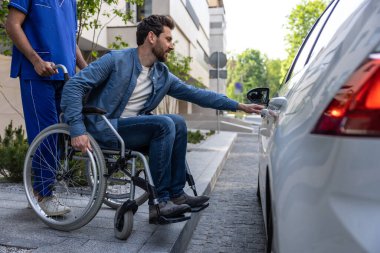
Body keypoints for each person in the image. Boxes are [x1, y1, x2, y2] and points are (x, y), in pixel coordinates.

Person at [60, 15, 263, 222]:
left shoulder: (161, 74)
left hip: (130, 131)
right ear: (151, 37)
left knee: (177, 122)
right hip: (103, 128)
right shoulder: (115, 60)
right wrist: (77, 128)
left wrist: (239, 106)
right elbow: (73, 86)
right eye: (168, 39)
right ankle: (159, 203)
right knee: (164, 124)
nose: (171, 46)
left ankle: (176, 194)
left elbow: (197, 94)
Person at [5, 0, 87, 216]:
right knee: (45, 133)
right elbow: (12, 24)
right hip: (37, 73)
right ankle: (45, 194)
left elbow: (70, 39)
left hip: (66, 75)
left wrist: (86, 70)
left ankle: (39, 191)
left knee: (62, 136)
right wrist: (35, 60)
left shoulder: (71, 2)